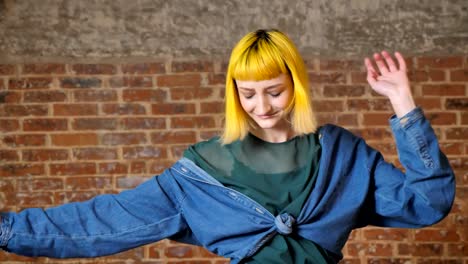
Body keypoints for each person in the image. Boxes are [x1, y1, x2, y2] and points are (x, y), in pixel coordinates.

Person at [0, 29, 455, 264]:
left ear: (296, 85)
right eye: (248, 92)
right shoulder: (202, 172)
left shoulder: (344, 157)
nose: (261, 105)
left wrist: (403, 102)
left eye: (274, 90)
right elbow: (99, 224)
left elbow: (428, 202)